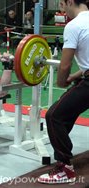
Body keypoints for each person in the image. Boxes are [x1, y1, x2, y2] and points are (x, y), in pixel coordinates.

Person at [38, 0, 89, 184]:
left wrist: (61, 82)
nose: (61, 9)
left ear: (70, 2)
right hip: (86, 77)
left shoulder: (73, 25)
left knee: (54, 116)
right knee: (68, 110)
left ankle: (65, 168)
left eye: (62, 4)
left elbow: (65, 64)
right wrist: (76, 76)